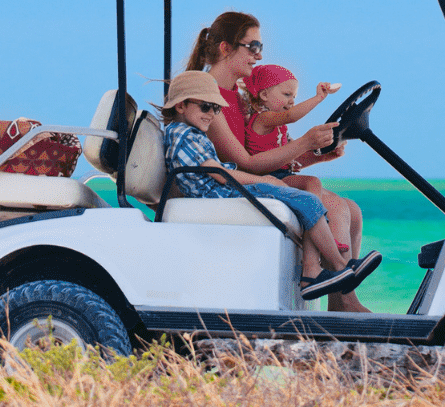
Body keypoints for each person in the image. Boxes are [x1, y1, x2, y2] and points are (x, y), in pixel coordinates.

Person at [185, 11, 373, 312]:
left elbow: (269, 157)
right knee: (337, 208)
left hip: (258, 177)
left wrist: (314, 155)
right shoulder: (210, 97)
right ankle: (340, 295)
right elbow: (247, 162)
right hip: (236, 184)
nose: (258, 56)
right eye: (253, 47)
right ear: (225, 47)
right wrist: (306, 142)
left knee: (353, 210)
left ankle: (340, 303)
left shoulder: (239, 98)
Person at [160, 72, 380, 303]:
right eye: (206, 107)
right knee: (307, 200)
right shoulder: (182, 134)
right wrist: (263, 180)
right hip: (224, 193)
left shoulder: (189, 133)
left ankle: (329, 270)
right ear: (181, 105)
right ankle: (334, 267)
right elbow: (218, 173)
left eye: (216, 109)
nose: (212, 115)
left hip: (224, 192)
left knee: (308, 199)